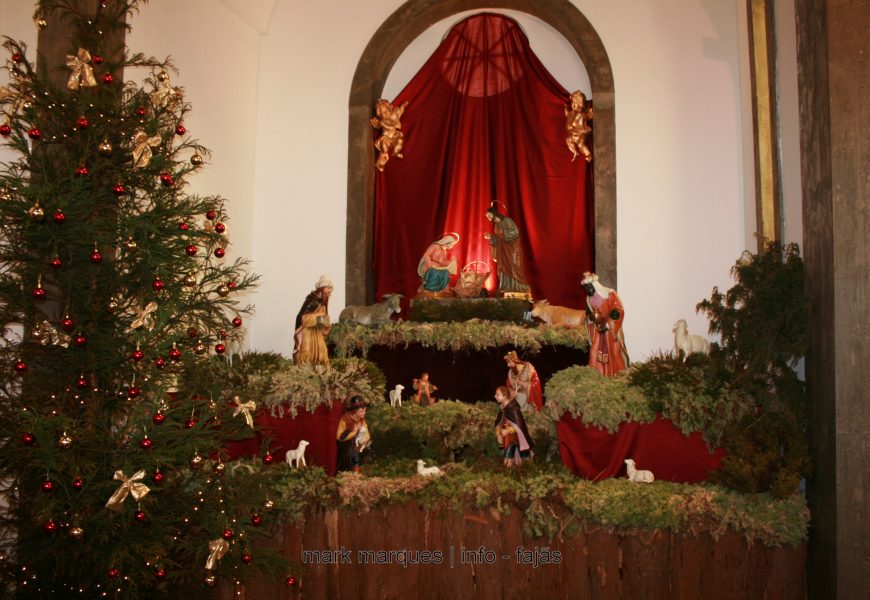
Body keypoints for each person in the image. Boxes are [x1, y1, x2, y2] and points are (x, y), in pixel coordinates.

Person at [581, 272, 629, 376]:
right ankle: (597, 375)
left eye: (588, 287)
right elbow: (589, 316)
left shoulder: (610, 295)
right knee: (594, 352)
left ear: (594, 285)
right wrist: (592, 319)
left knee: (613, 354)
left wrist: (607, 325)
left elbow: (619, 311)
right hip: (598, 332)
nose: (587, 290)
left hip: (611, 332)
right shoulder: (589, 300)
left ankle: (616, 375)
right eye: (585, 288)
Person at [484, 206, 530, 295]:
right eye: (487, 216)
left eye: (489, 215)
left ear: (494, 214)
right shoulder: (497, 225)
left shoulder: (507, 221)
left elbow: (515, 233)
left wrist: (500, 234)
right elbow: (498, 239)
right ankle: (506, 287)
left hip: (512, 250)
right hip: (503, 251)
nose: (488, 218)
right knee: (503, 268)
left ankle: (518, 288)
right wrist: (491, 237)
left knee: (513, 267)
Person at [293, 275, 333, 367]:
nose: (330, 292)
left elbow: (325, 318)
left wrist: (326, 325)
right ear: (321, 289)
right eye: (328, 289)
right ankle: (304, 372)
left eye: (331, 289)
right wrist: (320, 319)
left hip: (317, 332)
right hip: (307, 332)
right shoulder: (312, 301)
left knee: (323, 351)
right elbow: (303, 318)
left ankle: (321, 372)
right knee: (306, 352)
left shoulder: (323, 303)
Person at [494, 386, 534, 467]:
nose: (495, 396)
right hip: (508, 440)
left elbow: (519, 426)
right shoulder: (503, 409)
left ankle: (527, 470)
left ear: (505, 396)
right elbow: (499, 423)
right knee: (507, 459)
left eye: (498, 394)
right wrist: (498, 434)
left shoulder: (513, 409)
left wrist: (508, 430)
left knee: (525, 457)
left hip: (518, 439)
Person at [370, 98, 409, 172]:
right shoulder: (382, 121)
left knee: (400, 141)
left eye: (385, 110)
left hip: (393, 137)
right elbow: (389, 127)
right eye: (382, 112)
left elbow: (400, 111)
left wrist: (403, 106)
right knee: (385, 150)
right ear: (380, 114)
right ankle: (380, 163)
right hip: (385, 138)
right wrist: (394, 124)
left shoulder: (394, 115)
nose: (384, 113)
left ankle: (395, 152)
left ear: (389, 108)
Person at [336, 396, 371, 473]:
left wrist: (366, 439)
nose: (364, 413)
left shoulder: (362, 420)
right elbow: (339, 437)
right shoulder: (345, 419)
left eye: (365, 410)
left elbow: (366, 432)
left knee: (367, 447)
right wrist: (354, 432)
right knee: (353, 451)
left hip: (359, 444)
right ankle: (353, 470)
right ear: (355, 411)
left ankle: (360, 468)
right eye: (361, 411)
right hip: (347, 446)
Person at [565, 90, 593, 162]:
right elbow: (569, 118)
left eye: (575, 103)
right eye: (572, 103)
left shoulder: (580, 114)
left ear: (580, 104)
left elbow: (575, 122)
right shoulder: (573, 114)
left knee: (581, 145)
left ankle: (588, 154)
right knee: (568, 141)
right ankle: (575, 152)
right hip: (575, 134)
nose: (573, 105)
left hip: (581, 132)